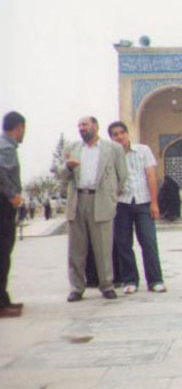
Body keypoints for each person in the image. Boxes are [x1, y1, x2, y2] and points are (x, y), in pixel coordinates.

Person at [59, 116, 128, 302]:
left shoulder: (112, 148)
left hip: (101, 200)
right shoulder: (73, 148)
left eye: (85, 124)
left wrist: (112, 196)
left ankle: (107, 285)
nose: (81, 128)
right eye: (79, 125)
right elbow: (62, 175)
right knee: (76, 249)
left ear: (95, 126)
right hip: (78, 200)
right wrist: (67, 167)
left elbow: (122, 175)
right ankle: (76, 288)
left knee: (103, 247)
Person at [108, 121, 167, 294]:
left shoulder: (143, 150)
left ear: (127, 134)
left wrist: (154, 203)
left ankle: (155, 280)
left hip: (143, 202)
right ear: (111, 138)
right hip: (121, 203)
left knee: (148, 241)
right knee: (124, 243)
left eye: (122, 133)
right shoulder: (110, 155)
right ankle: (130, 280)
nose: (119, 137)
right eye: (115, 134)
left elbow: (151, 176)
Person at [0, 111, 26, 318]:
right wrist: (12, 195)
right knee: (2, 253)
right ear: (19, 127)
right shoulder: (6, 147)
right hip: (3, 206)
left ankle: (4, 298)